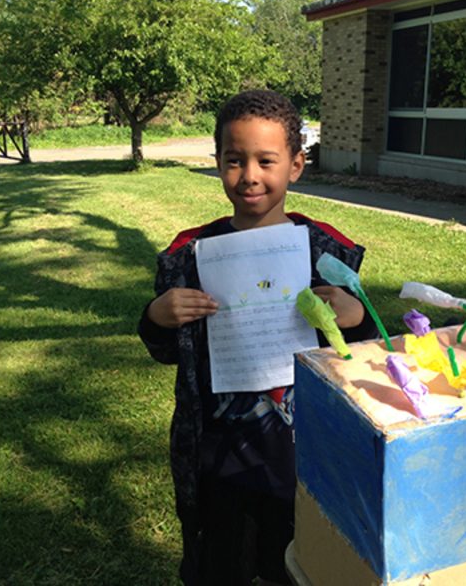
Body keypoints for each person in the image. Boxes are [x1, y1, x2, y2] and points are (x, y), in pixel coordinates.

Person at [138, 90, 378, 585]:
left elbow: (364, 355)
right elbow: (167, 352)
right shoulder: (191, 254)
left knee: (297, 565)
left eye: (266, 161)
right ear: (218, 163)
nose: (249, 175)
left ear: (296, 165)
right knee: (221, 565)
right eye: (234, 160)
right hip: (218, 452)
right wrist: (158, 317)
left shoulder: (325, 252)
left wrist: (357, 317)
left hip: (303, 454)